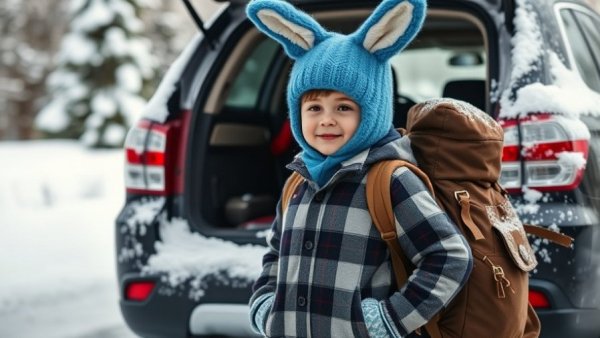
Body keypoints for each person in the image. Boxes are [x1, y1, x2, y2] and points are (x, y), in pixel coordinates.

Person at [246, 0, 473, 337]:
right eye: (313, 107)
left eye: (343, 107)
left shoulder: (390, 180)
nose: (326, 119)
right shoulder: (298, 182)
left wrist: (391, 320)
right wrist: (265, 304)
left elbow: (449, 257)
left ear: (373, 109)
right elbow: (277, 252)